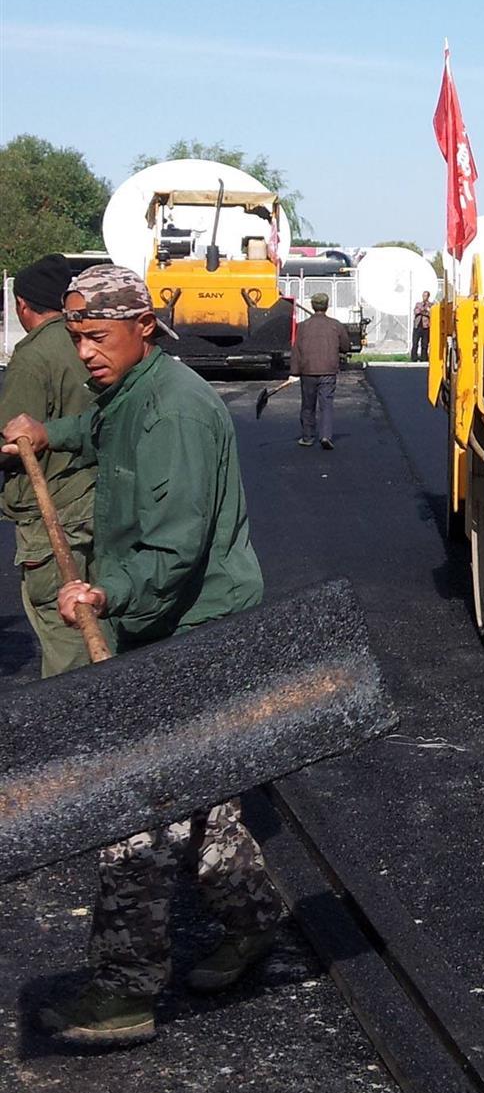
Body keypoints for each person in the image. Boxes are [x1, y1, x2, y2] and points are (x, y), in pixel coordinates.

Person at [1, 264, 280, 1047]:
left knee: (139, 812)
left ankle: (122, 993)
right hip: (162, 625)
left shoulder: (176, 414)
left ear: (142, 328)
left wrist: (103, 592)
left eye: (97, 337)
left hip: (194, 630)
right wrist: (45, 433)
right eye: (77, 337)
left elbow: (176, 545)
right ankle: (254, 922)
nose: (85, 352)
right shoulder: (130, 395)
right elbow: (96, 429)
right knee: (198, 800)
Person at [0, 254, 95, 677]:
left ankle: (73, 730)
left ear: (22, 305)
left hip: (53, 510)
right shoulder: (88, 341)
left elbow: (13, 440)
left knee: (64, 628)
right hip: (97, 499)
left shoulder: (33, 358)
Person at [292, 292, 350, 450]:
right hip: (328, 370)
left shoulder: (303, 326)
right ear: (327, 305)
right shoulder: (335, 325)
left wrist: (294, 371)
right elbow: (346, 346)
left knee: (308, 405)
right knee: (326, 404)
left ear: (312, 305)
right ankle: (325, 436)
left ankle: (308, 437)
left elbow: (297, 349)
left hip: (308, 370)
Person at [411, 290, 432, 362]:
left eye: (426, 296)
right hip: (417, 326)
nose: (424, 297)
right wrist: (424, 311)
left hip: (425, 326)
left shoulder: (431, 305)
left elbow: (430, 313)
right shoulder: (418, 304)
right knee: (415, 342)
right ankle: (414, 358)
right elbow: (416, 311)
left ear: (428, 297)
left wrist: (423, 311)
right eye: (423, 296)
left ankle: (424, 358)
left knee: (425, 343)